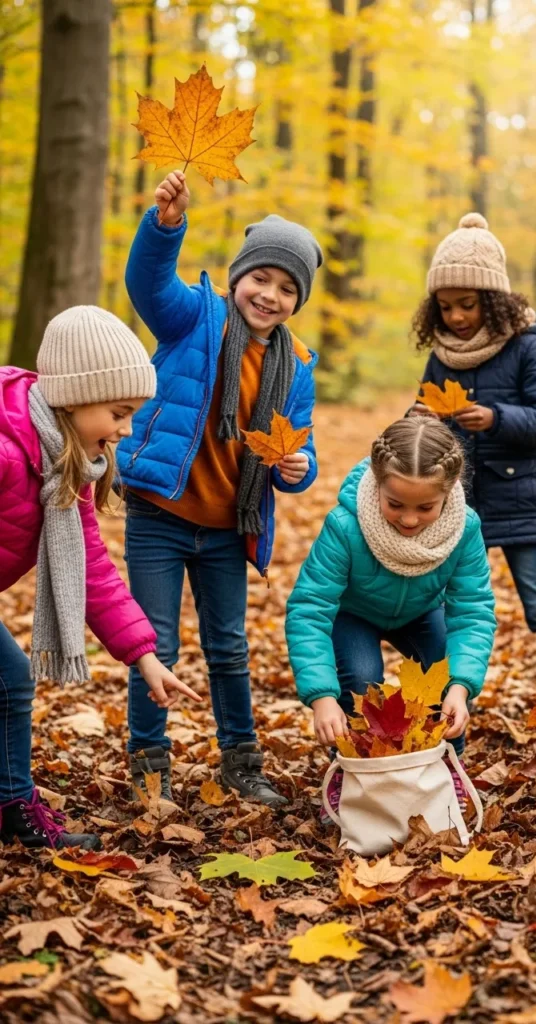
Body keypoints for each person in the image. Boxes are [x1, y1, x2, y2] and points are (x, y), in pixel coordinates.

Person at [117, 170, 322, 807]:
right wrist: (166, 226)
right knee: (156, 642)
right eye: (261, 278)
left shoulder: (298, 367)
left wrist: (299, 468)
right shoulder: (195, 320)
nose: (270, 295)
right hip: (161, 514)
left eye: (287, 288)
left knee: (229, 647)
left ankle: (241, 758)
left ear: (298, 301)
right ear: (239, 277)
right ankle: (150, 766)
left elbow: (302, 447)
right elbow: (146, 286)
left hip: (231, 526)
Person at [0, 306, 201, 850]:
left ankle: (12, 805)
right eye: (119, 411)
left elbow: (89, 563)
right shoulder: (7, 450)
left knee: (8, 679)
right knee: (9, 678)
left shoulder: (66, 461)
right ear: (75, 397)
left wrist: (144, 655)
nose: (127, 428)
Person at [409, 213, 536, 739]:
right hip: (454, 504)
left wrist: (496, 418)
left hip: (520, 500)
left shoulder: (529, 345)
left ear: (494, 300)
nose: (457, 317)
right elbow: (421, 414)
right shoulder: (441, 357)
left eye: (468, 305)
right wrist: (419, 421)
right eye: (446, 308)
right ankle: (446, 717)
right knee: (445, 610)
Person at [285, 417, 496, 820]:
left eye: (425, 507)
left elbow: (473, 610)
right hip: (354, 615)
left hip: (420, 612)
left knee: (443, 677)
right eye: (395, 504)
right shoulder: (346, 526)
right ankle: (351, 774)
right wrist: (322, 697)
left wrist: (462, 688)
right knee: (364, 687)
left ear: (449, 491)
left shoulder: (464, 528)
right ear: (377, 483)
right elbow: (309, 608)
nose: (410, 519)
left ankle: (448, 764)